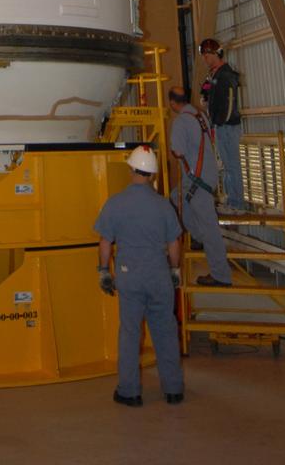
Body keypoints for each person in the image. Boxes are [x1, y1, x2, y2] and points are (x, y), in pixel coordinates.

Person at [94, 144, 184, 408]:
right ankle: (174, 389)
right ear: (152, 174)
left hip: (129, 276)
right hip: (159, 276)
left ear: (131, 169)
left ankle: (129, 392)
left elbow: (105, 242)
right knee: (166, 332)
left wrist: (103, 272)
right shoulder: (163, 205)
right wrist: (174, 270)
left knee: (130, 333)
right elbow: (174, 243)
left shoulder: (115, 203)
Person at [168, 87, 232, 288]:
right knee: (176, 197)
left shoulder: (181, 122)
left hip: (197, 180)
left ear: (172, 102)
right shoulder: (200, 115)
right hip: (206, 175)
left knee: (209, 228)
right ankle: (197, 236)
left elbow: (178, 151)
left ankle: (221, 275)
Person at [199, 38, 245, 210]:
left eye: (206, 55)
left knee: (231, 164)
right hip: (221, 126)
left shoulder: (226, 75)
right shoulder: (215, 75)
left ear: (215, 54)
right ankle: (232, 199)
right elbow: (204, 90)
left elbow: (229, 102)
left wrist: (220, 121)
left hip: (226, 126)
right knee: (227, 164)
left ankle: (237, 203)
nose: (204, 59)